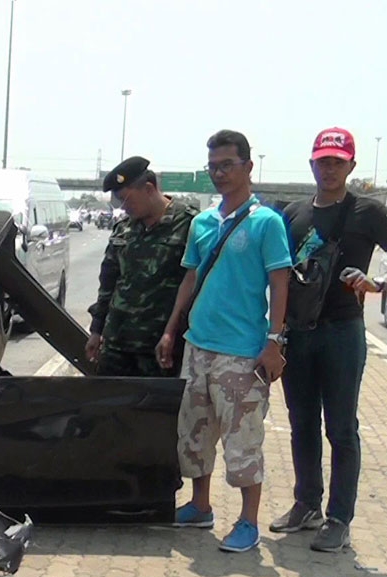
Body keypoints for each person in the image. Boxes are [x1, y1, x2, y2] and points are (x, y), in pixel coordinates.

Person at [271, 128, 387, 551]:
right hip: (299, 333)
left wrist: (379, 283)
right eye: (323, 160)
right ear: (312, 164)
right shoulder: (293, 214)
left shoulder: (367, 212)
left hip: (342, 332)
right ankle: (307, 504)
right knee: (301, 423)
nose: (330, 168)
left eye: (338, 161)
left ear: (351, 166)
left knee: (341, 428)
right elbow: (279, 276)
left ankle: (339, 518)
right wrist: (275, 333)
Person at [155, 130, 292, 552]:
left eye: (227, 165)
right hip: (199, 347)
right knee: (195, 432)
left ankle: (248, 522)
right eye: (213, 166)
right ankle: (200, 506)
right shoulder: (203, 222)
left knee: (242, 439)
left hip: (241, 352)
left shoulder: (266, 222)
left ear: (248, 167)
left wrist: (274, 341)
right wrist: (171, 329)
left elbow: (280, 281)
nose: (219, 173)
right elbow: (191, 277)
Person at [87, 156, 199, 376]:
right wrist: (96, 330)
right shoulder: (123, 229)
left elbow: (195, 284)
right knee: (110, 407)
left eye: (125, 199)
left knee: (158, 409)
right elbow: (108, 282)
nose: (123, 207)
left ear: (148, 189)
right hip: (117, 344)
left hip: (162, 347)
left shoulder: (189, 225)